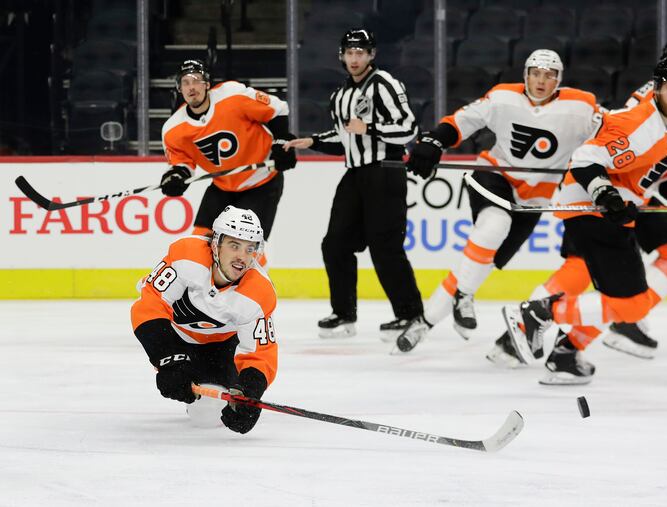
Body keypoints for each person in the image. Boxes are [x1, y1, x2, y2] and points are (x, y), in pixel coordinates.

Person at [500, 57, 667, 385]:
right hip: (591, 211)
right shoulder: (637, 122)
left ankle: (564, 353)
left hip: (612, 215)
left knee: (627, 304)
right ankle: (540, 313)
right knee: (631, 307)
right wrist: (606, 195)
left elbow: (665, 177)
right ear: (657, 89)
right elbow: (586, 159)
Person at [534, 40, 667, 360]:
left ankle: (591, 329)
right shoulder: (651, 110)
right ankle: (534, 323)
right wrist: (603, 191)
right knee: (593, 269)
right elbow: (609, 153)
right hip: (615, 194)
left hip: (636, 193)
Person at [395, 49, 602, 354]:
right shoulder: (503, 97)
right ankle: (464, 297)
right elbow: (460, 121)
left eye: (549, 75)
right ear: (525, 75)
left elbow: (615, 132)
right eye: (535, 73)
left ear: (559, 79)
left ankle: (424, 323)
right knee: (494, 224)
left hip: (534, 200)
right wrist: (433, 142)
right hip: (493, 174)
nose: (541, 81)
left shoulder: (582, 106)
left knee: (480, 263)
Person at [283, 28, 423, 339]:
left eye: (361, 52)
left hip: (385, 171)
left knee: (385, 247)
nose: (355, 58)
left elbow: (408, 128)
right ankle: (344, 314)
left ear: (372, 55)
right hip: (356, 173)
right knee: (335, 244)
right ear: (342, 56)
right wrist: (313, 141)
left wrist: (369, 127)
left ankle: (410, 314)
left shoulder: (385, 84)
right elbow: (346, 139)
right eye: (350, 52)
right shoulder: (340, 95)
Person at [131, 205, 278, 434]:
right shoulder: (187, 255)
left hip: (220, 347)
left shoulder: (259, 292)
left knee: (208, 414)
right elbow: (149, 307)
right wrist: (169, 360)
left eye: (250, 249)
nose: (242, 256)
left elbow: (260, 354)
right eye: (234, 245)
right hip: (174, 337)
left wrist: (251, 393)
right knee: (189, 392)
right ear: (215, 243)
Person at [160, 59, 297, 268]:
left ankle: (254, 293)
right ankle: (204, 297)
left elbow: (277, 109)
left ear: (207, 83)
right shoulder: (173, 129)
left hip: (261, 182)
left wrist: (282, 141)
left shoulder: (232, 95)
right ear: (179, 88)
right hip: (222, 186)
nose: (191, 87)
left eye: (196, 80)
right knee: (200, 243)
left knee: (245, 246)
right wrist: (176, 177)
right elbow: (182, 163)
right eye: (185, 82)